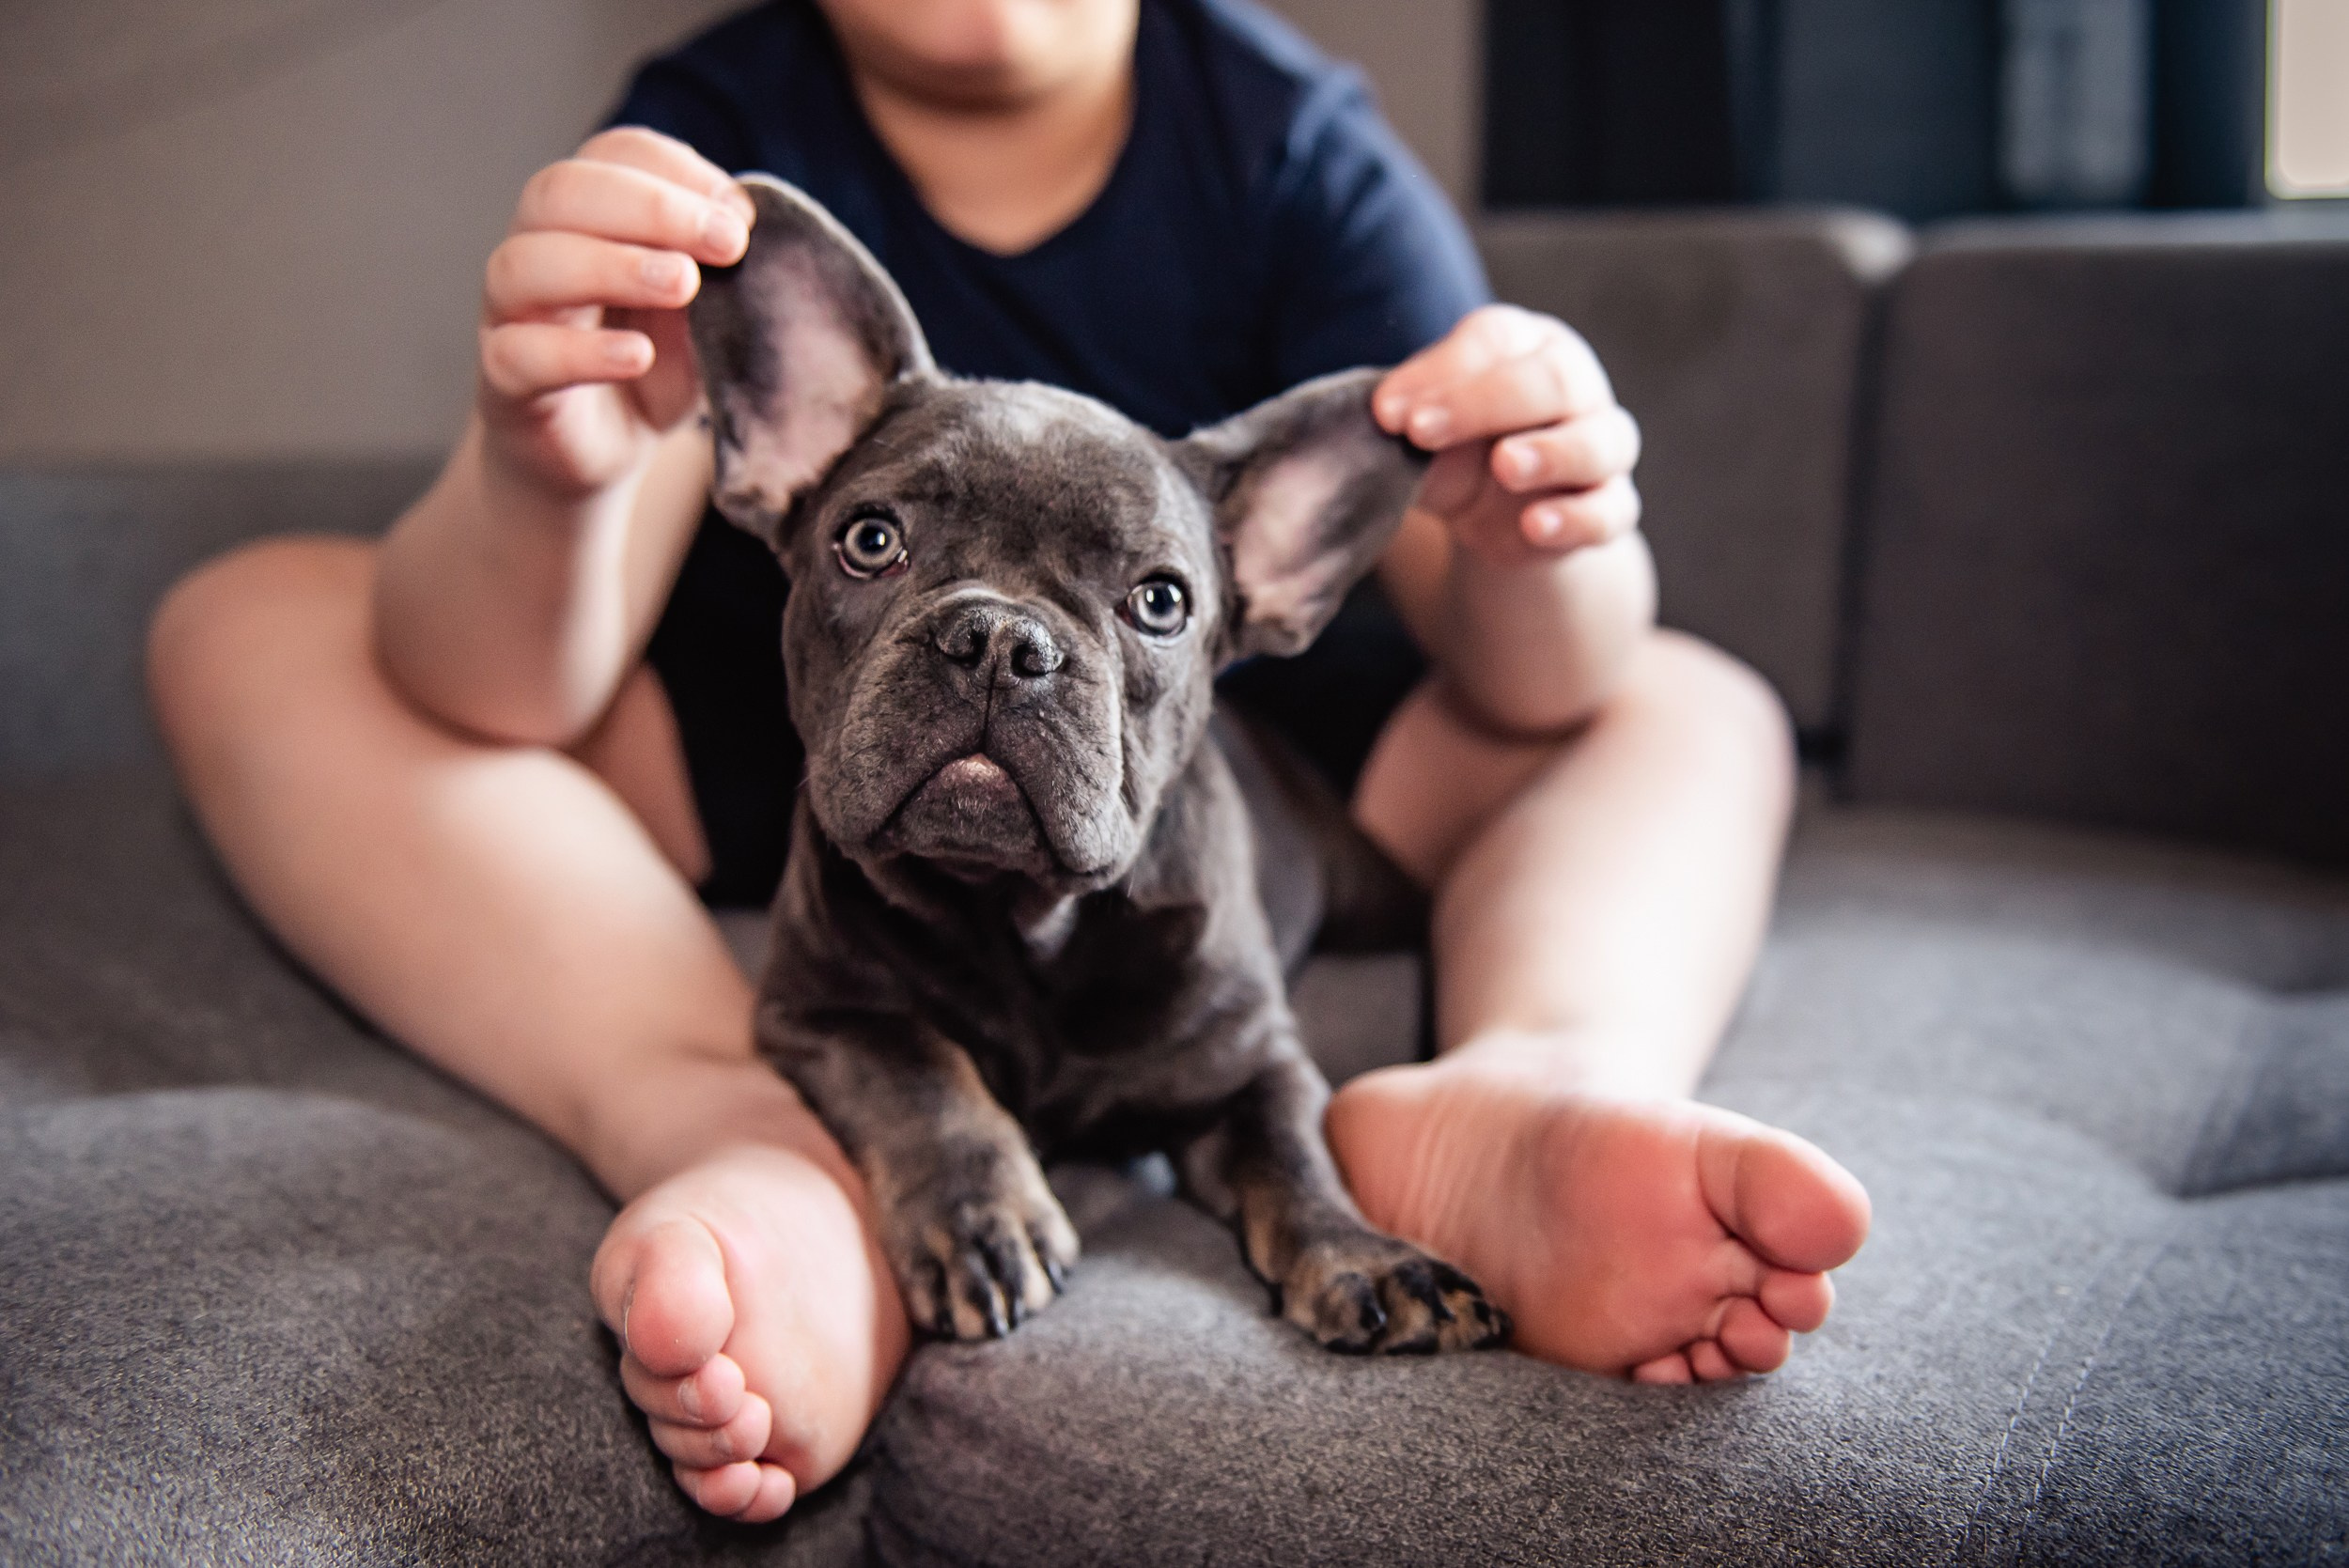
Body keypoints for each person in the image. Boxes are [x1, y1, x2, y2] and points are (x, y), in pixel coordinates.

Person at [147, 0, 1872, 1526]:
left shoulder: (1287, 144)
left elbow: (1549, 667)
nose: (1002, 651)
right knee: (253, 619)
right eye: (894, 537)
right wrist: (552, 472)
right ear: (781, 447)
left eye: (1134, 592)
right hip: (762, 751)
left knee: (1685, 703)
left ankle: (1535, 1074)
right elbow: (501, 690)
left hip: (1273, 782)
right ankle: (728, 1109)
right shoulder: (725, 144)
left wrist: (1542, 528)